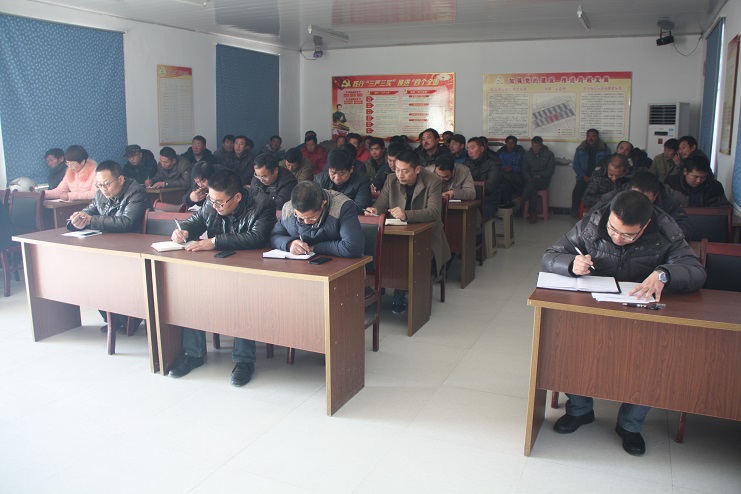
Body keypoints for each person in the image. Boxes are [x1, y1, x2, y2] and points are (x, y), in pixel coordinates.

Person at [542, 190, 706, 456]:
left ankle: (630, 424)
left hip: (640, 314)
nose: (618, 238)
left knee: (652, 361)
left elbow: (696, 271)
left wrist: (665, 274)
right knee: (566, 345)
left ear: (646, 225)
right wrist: (571, 263)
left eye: (628, 235)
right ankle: (579, 410)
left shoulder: (666, 231)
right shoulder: (593, 223)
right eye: (613, 230)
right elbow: (550, 255)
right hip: (595, 309)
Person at [168, 169, 277, 386]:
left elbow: (257, 237)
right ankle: (193, 354)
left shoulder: (262, 203)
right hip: (220, 264)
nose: (214, 206)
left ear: (237, 197)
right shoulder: (213, 201)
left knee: (242, 301)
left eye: (220, 203)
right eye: (211, 200)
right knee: (191, 294)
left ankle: (244, 361)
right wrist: (184, 231)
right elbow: (197, 220)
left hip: (251, 271)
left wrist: (215, 242)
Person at [67, 160, 149, 334]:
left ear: (120, 179)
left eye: (106, 184)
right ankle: (113, 318)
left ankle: (129, 317)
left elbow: (126, 222)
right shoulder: (100, 194)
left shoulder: (136, 192)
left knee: (108, 276)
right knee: (90, 275)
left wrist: (91, 220)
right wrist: (77, 219)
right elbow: (89, 211)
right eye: (99, 184)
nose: (103, 188)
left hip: (131, 248)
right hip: (108, 246)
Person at [366, 150, 451, 314]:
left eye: (405, 171)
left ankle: (400, 294)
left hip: (427, 235)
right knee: (380, 251)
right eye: (397, 169)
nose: (400, 174)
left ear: (417, 169)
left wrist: (406, 215)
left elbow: (434, 212)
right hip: (398, 232)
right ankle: (371, 290)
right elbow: (381, 204)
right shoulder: (391, 179)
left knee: (405, 255)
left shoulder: (432, 181)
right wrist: (374, 210)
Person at [271, 181, 364, 259]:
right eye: (301, 218)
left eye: (312, 218)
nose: (306, 222)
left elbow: (353, 247)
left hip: (337, 263)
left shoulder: (342, 207)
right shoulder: (288, 209)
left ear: (323, 204)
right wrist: (289, 244)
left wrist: (315, 248)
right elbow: (274, 236)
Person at [593, 171, 693, 239]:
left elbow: (685, 230)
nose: (639, 203)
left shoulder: (668, 203)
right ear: (629, 190)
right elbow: (590, 221)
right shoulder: (613, 197)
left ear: (655, 197)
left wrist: (650, 232)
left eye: (646, 200)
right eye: (635, 196)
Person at [314, 149, 372, 214]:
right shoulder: (319, 179)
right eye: (333, 173)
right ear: (328, 169)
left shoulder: (362, 181)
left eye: (341, 173)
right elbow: (313, 203)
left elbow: (360, 207)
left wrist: (327, 207)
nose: (337, 178)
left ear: (351, 169)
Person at [571, 128, 611, 216]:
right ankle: (575, 211)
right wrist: (583, 176)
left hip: (599, 178)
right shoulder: (580, 149)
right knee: (577, 192)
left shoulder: (604, 149)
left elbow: (607, 164)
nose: (590, 138)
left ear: (597, 137)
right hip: (583, 177)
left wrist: (596, 177)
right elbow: (576, 164)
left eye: (593, 136)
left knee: (597, 194)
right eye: (588, 136)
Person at [664, 154, 730, 207]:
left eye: (703, 177)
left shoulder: (715, 187)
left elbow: (725, 209)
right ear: (685, 171)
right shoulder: (671, 183)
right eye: (696, 177)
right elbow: (663, 206)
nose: (699, 180)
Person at [464, 137, 505, 220]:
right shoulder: (467, 163)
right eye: (468, 148)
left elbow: (488, 188)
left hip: (488, 202)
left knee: (472, 216)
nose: (470, 151)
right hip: (469, 199)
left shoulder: (494, 164)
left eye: (472, 148)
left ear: (482, 149)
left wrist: (468, 186)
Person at [521, 136, 555, 224]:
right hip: (530, 180)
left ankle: (523, 198)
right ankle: (533, 214)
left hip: (543, 180)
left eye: (537, 146)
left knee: (532, 184)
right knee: (533, 188)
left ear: (541, 145)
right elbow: (524, 170)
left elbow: (550, 170)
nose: (535, 148)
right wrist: (529, 178)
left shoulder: (549, 154)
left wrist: (539, 175)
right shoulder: (527, 155)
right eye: (533, 146)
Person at [496, 135, 525, 202]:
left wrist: (512, 168)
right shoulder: (500, 153)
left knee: (504, 181)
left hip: (516, 176)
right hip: (503, 175)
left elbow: (522, 167)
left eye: (512, 143)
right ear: (506, 143)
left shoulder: (520, 153)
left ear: (515, 144)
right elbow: (497, 166)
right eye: (508, 143)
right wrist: (504, 168)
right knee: (504, 183)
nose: (510, 145)